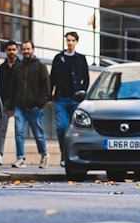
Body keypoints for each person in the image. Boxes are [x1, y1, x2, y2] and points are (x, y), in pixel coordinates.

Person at [50, 31, 90, 167]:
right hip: (61, 98)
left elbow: (86, 78)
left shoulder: (81, 58)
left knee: (75, 129)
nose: (70, 43)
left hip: (75, 100)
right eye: (68, 40)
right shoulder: (58, 58)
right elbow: (52, 78)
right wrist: (50, 96)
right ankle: (63, 153)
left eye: (73, 40)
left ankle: (72, 156)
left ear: (76, 42)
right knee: (61, 127)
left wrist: (82, 93)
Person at [9, 40, 50, 168]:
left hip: (35, 107)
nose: (26, 51)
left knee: (38, 134)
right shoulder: (18, 68)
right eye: (24, 49)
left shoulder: (40, 67)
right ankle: (20, 158)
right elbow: (12, 88)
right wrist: (11, 106)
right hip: (19, 107)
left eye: (28, 49)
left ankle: (44, 154)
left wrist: (40, 103)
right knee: (19, 133)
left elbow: (46, 87)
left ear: (33, 50)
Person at [0, 40, 21, 165]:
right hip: (5, 102)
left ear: (17, 51)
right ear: (5, 51)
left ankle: (21, 157)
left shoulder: (22, 67)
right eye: (9, 50)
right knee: (2, 129)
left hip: (20, 102)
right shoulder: (1, 68)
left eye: (14, 49)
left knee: (20, 130)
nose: (11, 52)